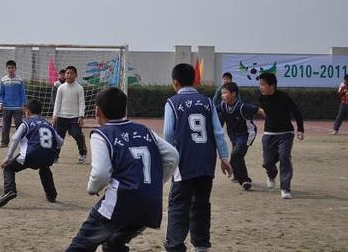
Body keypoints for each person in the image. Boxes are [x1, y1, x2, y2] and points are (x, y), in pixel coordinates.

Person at [66, 87, 179, 252]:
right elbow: (172, 155)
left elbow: (100, 173)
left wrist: (92, 188)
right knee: (114, 243)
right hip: (150, 205)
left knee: (80, 246)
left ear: (97, 111)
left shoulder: (102, 134)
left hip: (121, 203)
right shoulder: (145, 130)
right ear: (125, 110)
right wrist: (154, 183)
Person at [163, 63, 232, 252]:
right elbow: (218, 132)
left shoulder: (172, 103)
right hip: (206, 164)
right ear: (193, 80)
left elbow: (169, 134)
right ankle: (201, 245)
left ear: (175, 82)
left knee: (178, 205)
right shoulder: (207, 102)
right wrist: (224, 157)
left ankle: (175, 245)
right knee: (201, 204)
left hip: (183, 163)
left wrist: (166, 161)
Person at [0, 99, 63, 207]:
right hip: (49, 156)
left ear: (27, 112)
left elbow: (14, 139)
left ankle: (10, 190)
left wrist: (8, 157)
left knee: (9, 168)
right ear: (41, 112)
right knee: (44, 168)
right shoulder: (48, 124)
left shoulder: (26, 124)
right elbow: (60, 142)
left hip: (31, 155)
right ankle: (51, 195)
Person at [258, 73, 304, 199]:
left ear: (272, 85)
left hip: (286, 134)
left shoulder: (284, 97)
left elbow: (297, 112)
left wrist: (300, 129)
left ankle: (285, 188)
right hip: (269, 134)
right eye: (259, 85)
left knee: (284, 158)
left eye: (263, 85)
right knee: (268, 162)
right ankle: (271, 174)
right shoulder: (261, 98)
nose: (260, 87)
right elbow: (267, 113)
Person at [218, 82, 264, 191]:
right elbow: (211, 110)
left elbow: (259, 110)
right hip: (234, 136)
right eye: (222, 94)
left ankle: (244, 180)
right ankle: (243, 178)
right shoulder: (223, 105)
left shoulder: (242, 107)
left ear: (233, 94)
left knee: (236, 154)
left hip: (247, 135)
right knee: (238, 156)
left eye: (225, 93)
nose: (222, 96)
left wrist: (272, 120)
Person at [53, 66, 87, 164]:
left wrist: (81, 116)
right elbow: (57, 102)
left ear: (75, 75)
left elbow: (81, 103)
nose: (68, 75)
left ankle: (82, 154)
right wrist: (55, 115)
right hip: (61, 117)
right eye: (67, 73)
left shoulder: (79, 88)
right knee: (58, 138)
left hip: (75, 118)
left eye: (71, 73)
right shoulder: (61, 88)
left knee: (77, 135)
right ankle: (55, 157)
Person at [0, 60, 27, 148]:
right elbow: (1, 94)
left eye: (12, 68)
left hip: (17, 107)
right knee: (5, 125)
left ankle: (21, 141)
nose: (11, 69)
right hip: (6, 107)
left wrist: (23, 104)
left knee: (19, 125)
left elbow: (22, 93)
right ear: (6, 69)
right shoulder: (3, 80)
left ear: (15, 69)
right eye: (9, 68)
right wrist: (0, 103)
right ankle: (4, 142)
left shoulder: (19, 80)